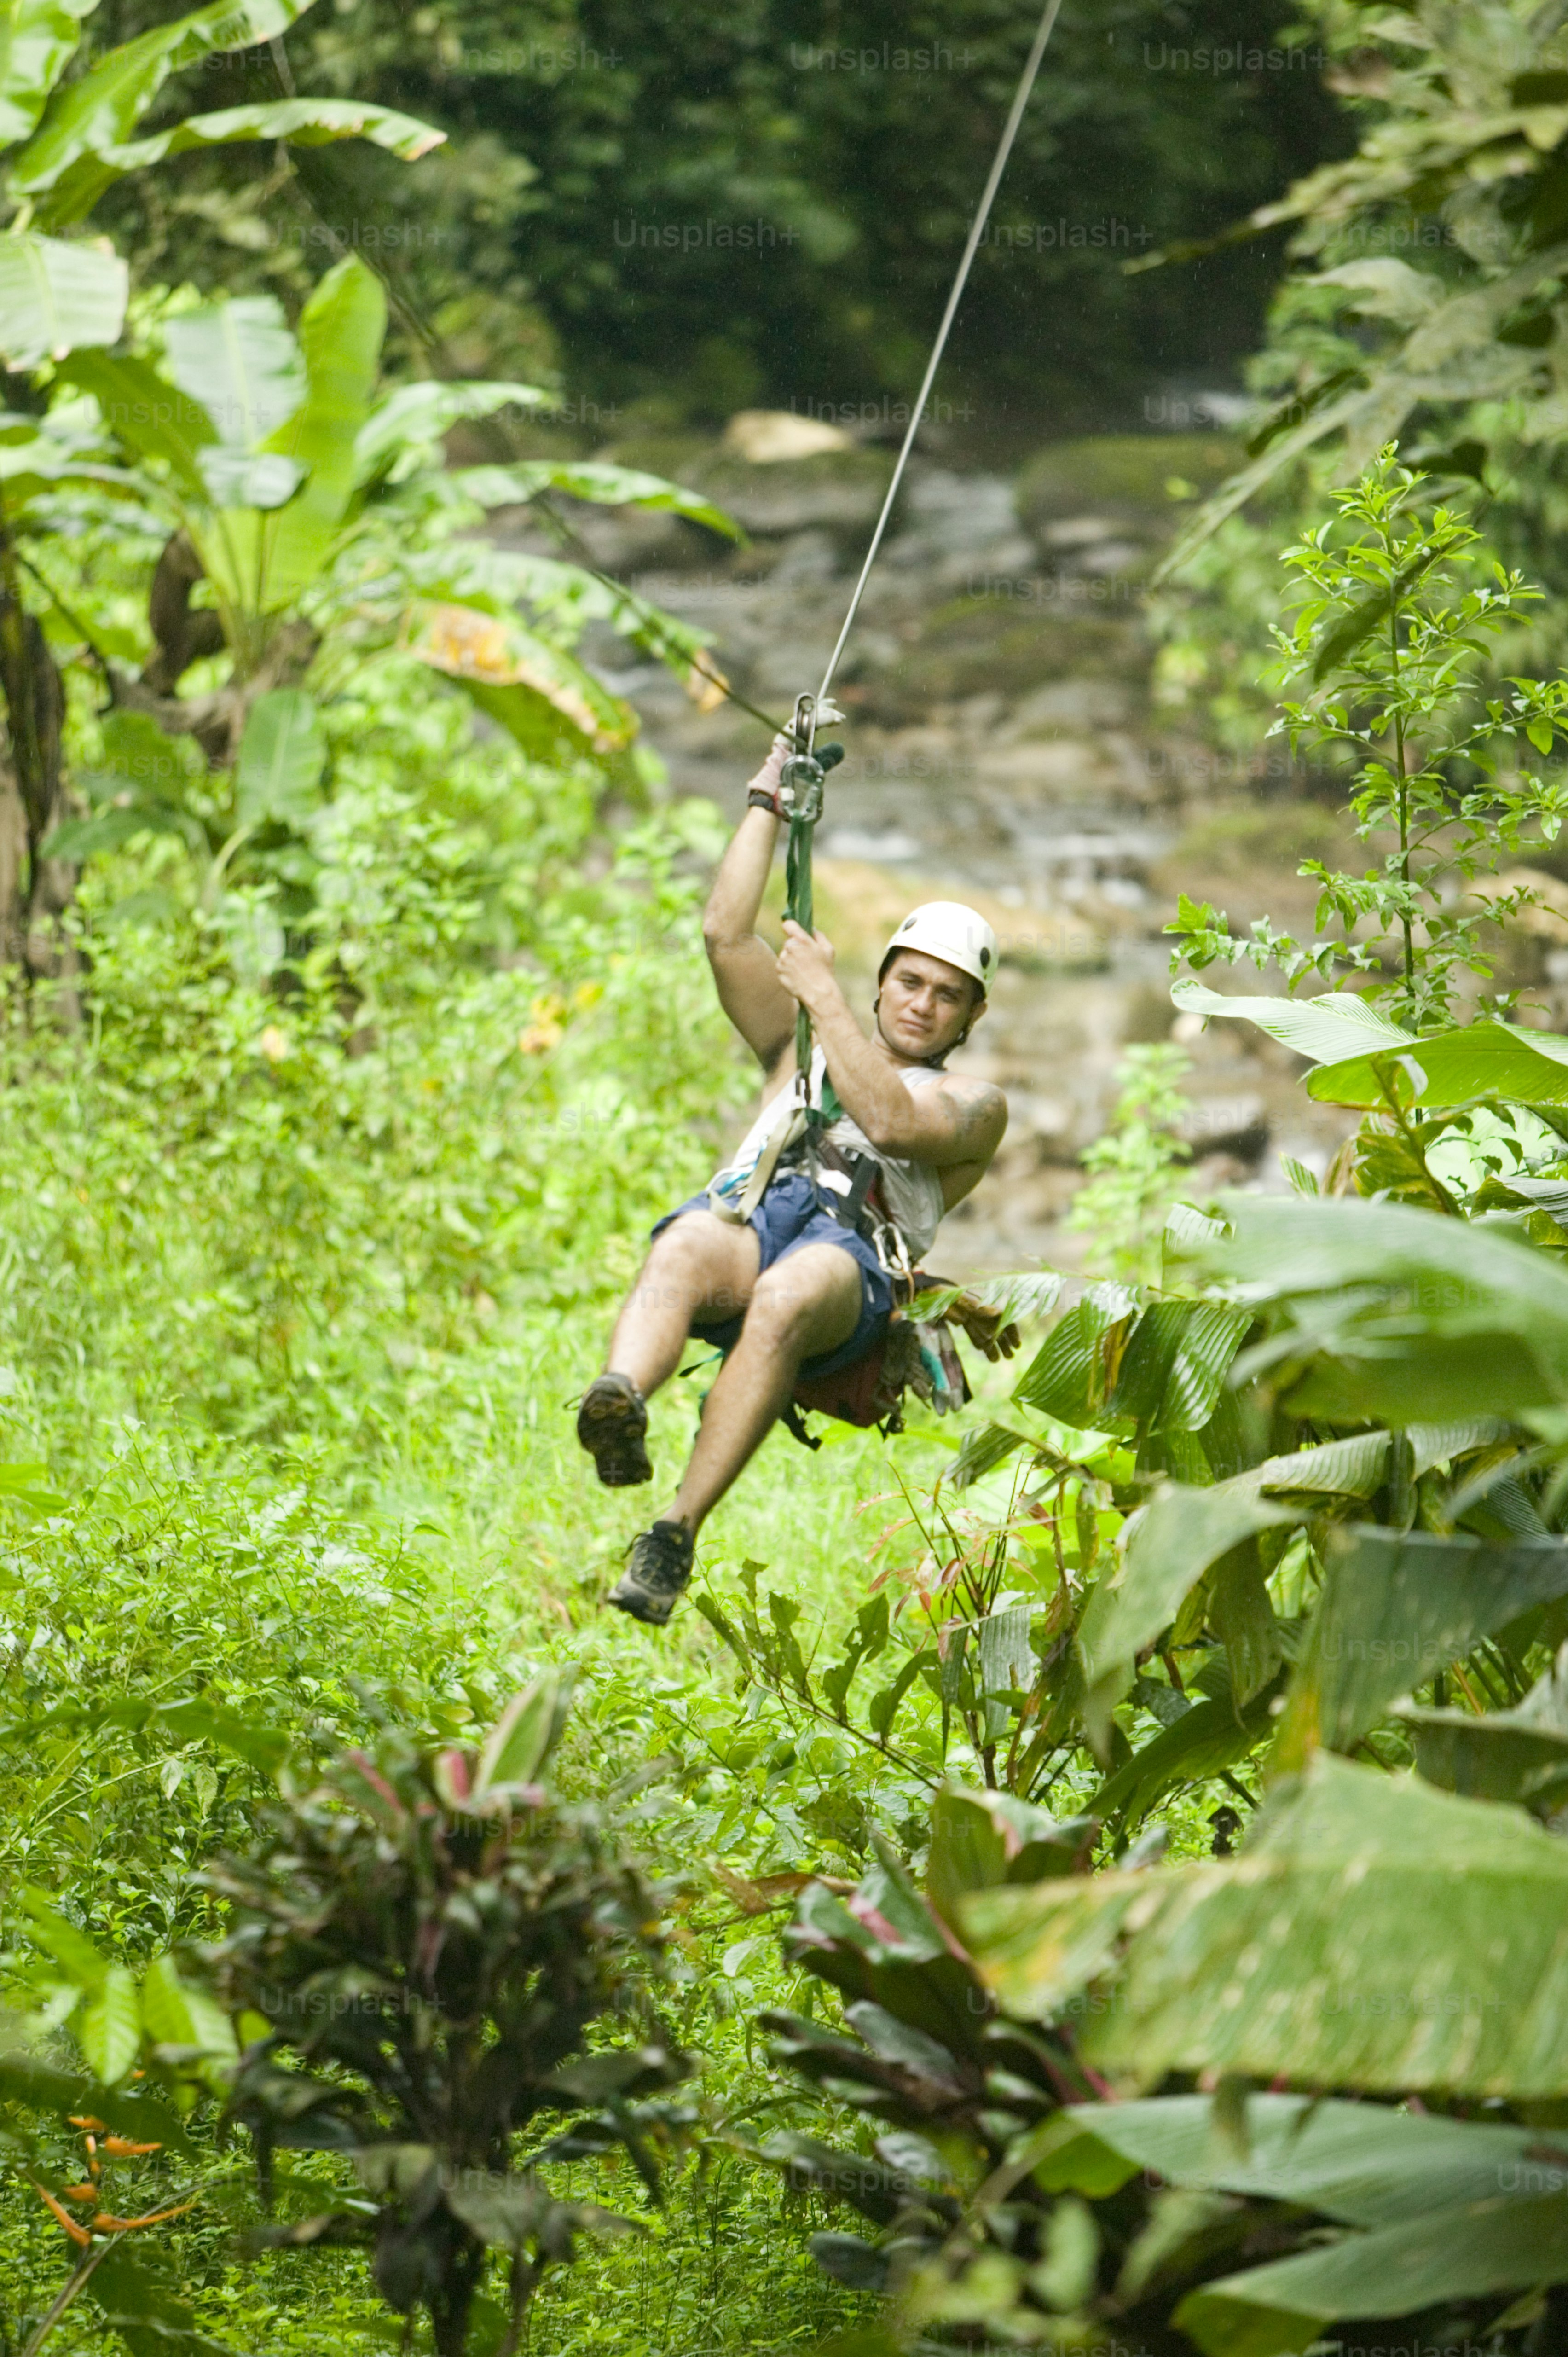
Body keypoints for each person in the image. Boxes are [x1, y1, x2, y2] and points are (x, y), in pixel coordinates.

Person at [577, 732, 1009, 1626]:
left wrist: (825, 994)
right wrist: (767, 799)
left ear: (971, 1018)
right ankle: (620, 1400)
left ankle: (673, 1534)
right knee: (687, 1242)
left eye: (946, 995)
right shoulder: (796, 1045)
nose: (922, 1004)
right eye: (910, 982)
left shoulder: (973, 1104)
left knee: (789, 1292)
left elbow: (890, 1122)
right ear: (883, 983)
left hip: (849, 1260)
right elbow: (724, 932)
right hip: (758, 1216)